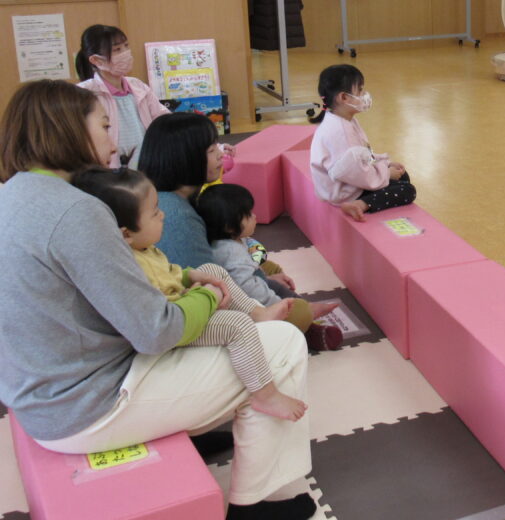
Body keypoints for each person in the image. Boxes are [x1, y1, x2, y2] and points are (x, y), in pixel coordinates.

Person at [0, 80, 315, 520]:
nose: (114, 140)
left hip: (39, 395)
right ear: (67, 130)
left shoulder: (14, 193)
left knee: (232, 337)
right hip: (85, 405)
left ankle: (192, 426)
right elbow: (156, 330)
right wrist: (208, 296)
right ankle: (256, 504)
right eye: (104, 125)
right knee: (283, 344)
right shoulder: (75, 211)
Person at [72, 166, 307, 422]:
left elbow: (170, 273)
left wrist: (189, 276)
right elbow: (162, 313)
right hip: (176, 330)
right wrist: (199, 296)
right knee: (237, 326)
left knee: (211, 269)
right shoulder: (133, 264)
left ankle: (259, 314)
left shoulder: (145, 248)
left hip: (183, 304)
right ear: (126, 233)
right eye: (154, 213)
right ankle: (265, 394)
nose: (163, 215)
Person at [138, 113, 343, 350]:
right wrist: (263, 295)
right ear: (184, 159)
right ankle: (303, 322)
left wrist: (263, 278)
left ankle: (299, 320)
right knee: (294, 311)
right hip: (201, 314)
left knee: (264, 264)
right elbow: (211, 285)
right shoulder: (176, 216)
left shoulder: (179, 198)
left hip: (220, 286)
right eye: (210, 150)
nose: (220, 154)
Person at [196, 183, 338, 324]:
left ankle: (305, 307)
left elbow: (252, 268)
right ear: (230, 227)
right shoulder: (231, 252)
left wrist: (268, 279)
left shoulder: (235, 240)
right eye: (248, 215)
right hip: (254, 306)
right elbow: (248, 288)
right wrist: (276, 304)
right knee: (297, 311)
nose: (254, 216)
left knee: (275, 277)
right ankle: (308, 316)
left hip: (256, 284)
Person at [309, 64, 416, 221]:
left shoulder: (344, 120)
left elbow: (363, 154)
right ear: (343, 97)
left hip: (349, 181)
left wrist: (384, 164)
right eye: (359, 91)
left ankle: (367, 199)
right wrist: (386, 174)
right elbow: (355, 173)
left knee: (402, 175)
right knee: (408, 190)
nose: (364, 95)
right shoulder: (340, 131)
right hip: (344, 191)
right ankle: (360, 204)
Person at [75, 24, 169, 168]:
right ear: (96, 60)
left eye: (126, 46)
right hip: (106, 171)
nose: (125, 53)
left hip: (145, 168)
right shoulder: (84, 93)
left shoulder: (138, 86)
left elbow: (163, 120)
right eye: (117, 50)